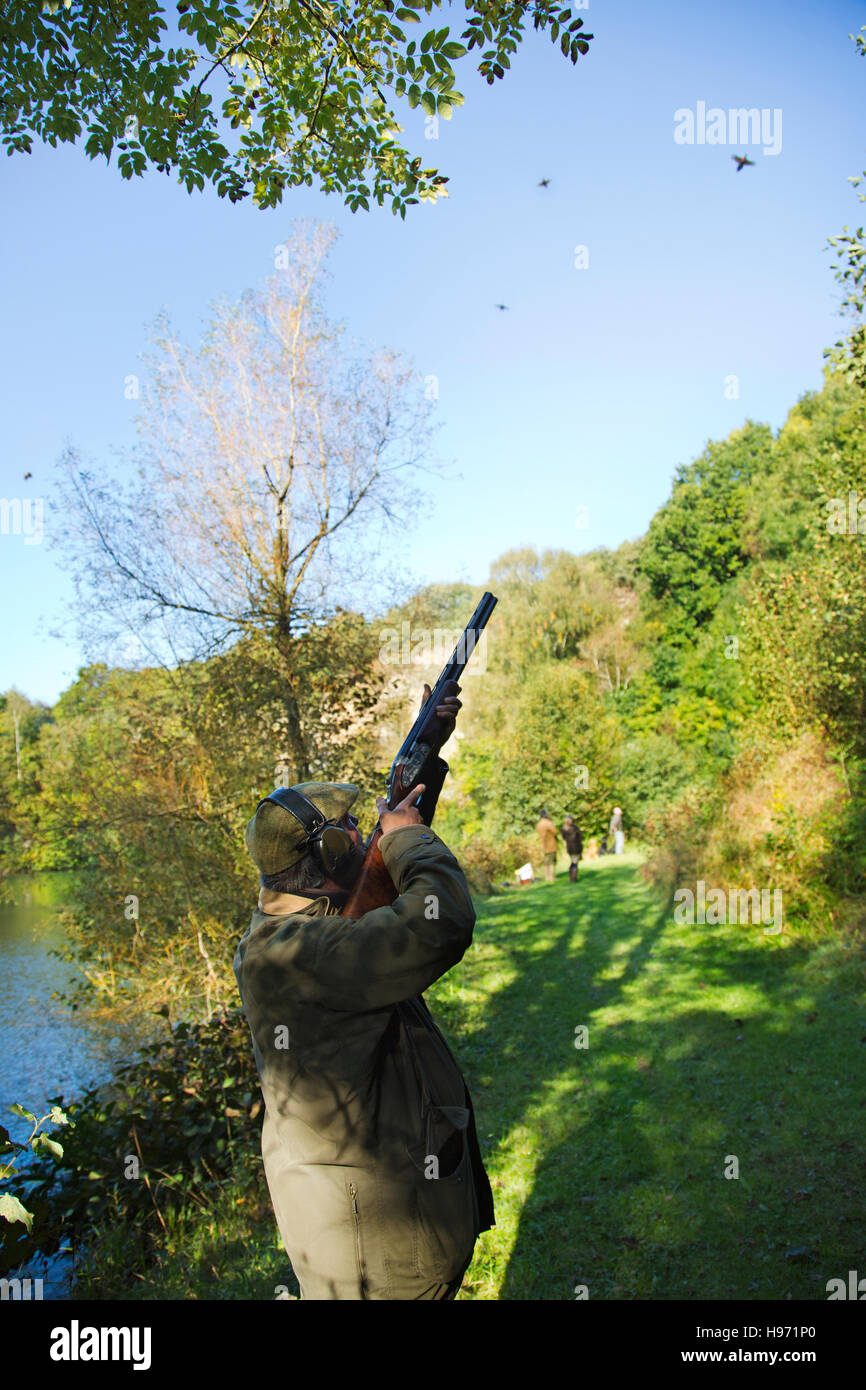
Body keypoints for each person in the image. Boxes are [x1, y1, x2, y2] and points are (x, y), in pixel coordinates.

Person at [233, 687, 494, 1301]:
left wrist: (427, 750)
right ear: (327, 854)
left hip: (372, 1229)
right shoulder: (301, 954)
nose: (366, 828)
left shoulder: (296, 926)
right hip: (371, 1252)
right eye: (353, 827)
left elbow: (375, 888)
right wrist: (404, 840)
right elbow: (439, 919)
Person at [536, 807, 558, 882]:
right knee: (552, 862)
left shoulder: (539, 824)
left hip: (543, 845)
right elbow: (555, 832)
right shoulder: (548, 823)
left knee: (546, 862)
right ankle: (551, 877)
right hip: (551, 845)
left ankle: (547, 877)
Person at [561, 814, 583, 882]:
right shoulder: (575, 828)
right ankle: (573, 878)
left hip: (569, 848)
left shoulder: (563, 829)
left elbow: (564, 838)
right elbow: (581, 837)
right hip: (576, 847)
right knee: (575, 862)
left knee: (573, 861)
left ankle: (572, 877)